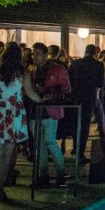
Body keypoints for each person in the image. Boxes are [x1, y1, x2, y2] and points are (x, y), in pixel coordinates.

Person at [0, 43, 44, 202]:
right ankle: (0, 187)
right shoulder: (23, 75)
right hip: (14, 116)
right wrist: (43, 99)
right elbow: (32, 94)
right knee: (8, 155)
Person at [30, 42, 71, 187]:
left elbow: (66, 88)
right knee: (40, 145)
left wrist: (49, 91)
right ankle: (44, 175)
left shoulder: (57, 69)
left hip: (49, 110)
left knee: (49, 142)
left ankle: (60, 173)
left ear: (45, 55)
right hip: (35, 110)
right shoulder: (32, 70)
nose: (34, 57)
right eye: (33, 54)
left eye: (37, 54)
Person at [69, 44, 105, 162]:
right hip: (89, 97)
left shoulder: (75, 63)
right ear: (95, 53)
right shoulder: (98, 65)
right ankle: (80, 153)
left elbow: (69, 80)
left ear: (85, 52)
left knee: (75, 124)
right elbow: (100, 84)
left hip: (75, 97)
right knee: (85, 125)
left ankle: (75, 148)